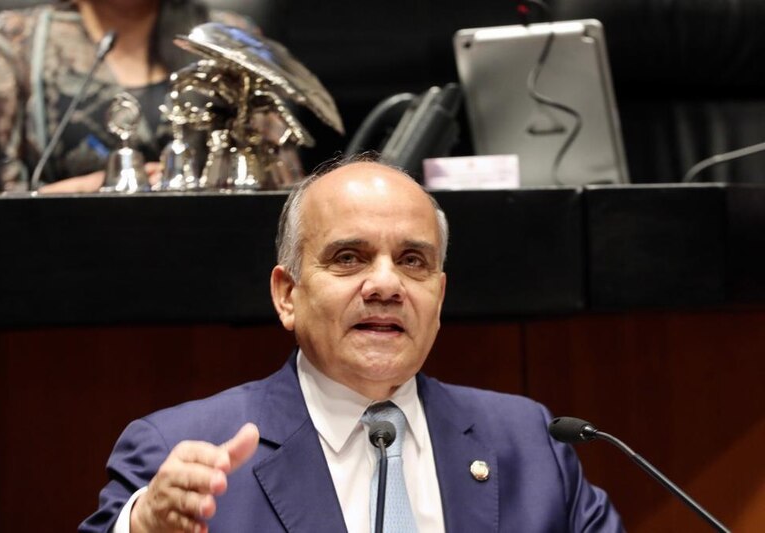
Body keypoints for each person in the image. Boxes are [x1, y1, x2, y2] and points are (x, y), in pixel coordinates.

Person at [80, 156, 624, 532]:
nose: (386, 285)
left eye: (413, 261)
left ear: (439, 294)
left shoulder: (529, 443)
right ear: (287, 295)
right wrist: (146, 523)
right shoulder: (177, 447)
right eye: (349, 258)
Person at [0, 0, 300, 193]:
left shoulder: (229, 38)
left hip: (207, 247)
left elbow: (284, 186)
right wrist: (91, 190)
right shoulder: (18, 42)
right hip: (61, 255)